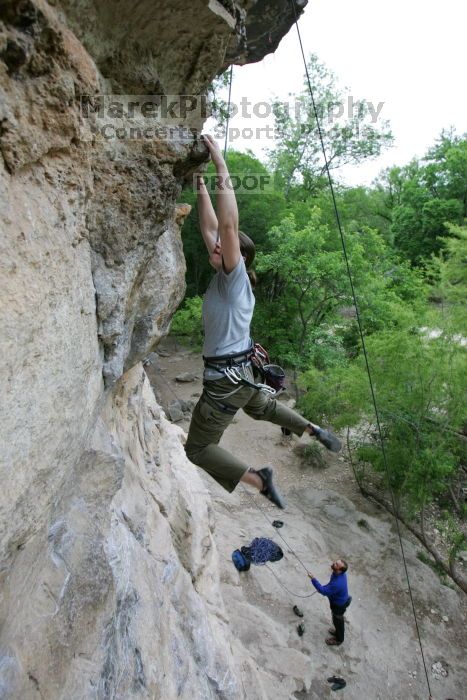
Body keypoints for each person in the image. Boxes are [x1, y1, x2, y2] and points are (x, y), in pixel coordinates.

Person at [184, 134, 341, 509]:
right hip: (242, 374)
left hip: (225, 381)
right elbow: (209, 229)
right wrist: (200, 182)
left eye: (225, 245)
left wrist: (221, 166)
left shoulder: (234, 278)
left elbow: (225, 224)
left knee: (199, 448)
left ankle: (259, 479)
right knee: (262, 407)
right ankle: (310, 428)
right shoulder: (227, 276)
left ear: (236, 254)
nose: (216, 245)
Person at [308, 559, 351, 646]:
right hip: (340, 600)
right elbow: (329, 587)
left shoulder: (338, 583)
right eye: (336, 562)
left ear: (339, 570)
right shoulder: (338, 573)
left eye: (336, 564)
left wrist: (313, 579)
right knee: (336, 619)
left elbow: (323, 591)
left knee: (337, 621)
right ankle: (337, 631)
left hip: (339, 605)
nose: (333, 563)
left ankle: (339, 639)